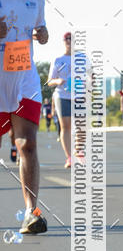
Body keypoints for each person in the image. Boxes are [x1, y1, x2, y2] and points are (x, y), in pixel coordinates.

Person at [0, 0, 49, 233]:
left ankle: (31, 212)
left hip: (24, 77)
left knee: (27, 143)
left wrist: (43, 35)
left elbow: (40, 29)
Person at [47, 31, 73, 167]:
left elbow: (91, 77)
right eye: (66, 39)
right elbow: (49, 81)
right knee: (65, 126)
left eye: (71, 39)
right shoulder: (58, 59)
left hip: (78, 96)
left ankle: (78, 152)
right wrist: (58, 81)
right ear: (63, 41)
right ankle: (69, 157)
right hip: (62, 95)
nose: (69, 41)